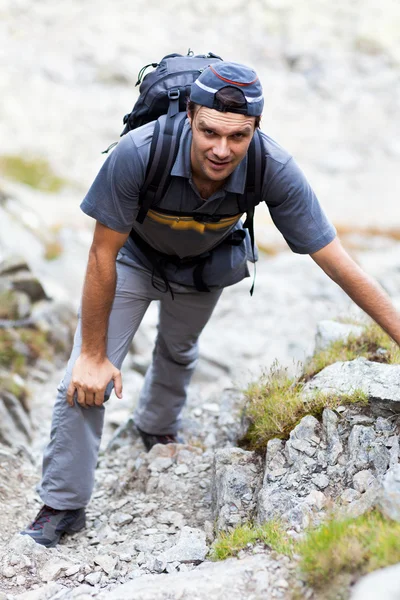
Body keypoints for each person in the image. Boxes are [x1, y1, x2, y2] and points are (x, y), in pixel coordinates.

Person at [21, 62, 400, 547]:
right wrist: (94, 355)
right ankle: (63, 505)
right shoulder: (140, 152)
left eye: (238, 136)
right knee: (84, 375)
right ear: (190, 115)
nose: (222, 150)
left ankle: (156, 426)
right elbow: (101, 253)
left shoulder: (272, 167)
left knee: (178, 350)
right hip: (134, 261)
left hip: (204, 268)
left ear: (255, 130)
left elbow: (339, 262)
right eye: (210, 132)